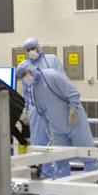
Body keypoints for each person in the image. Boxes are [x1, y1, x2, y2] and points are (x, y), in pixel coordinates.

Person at [18, 62, 98, 178]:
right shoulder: (33, 88)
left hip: (75, 122)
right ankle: (62, 193)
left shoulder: (52, 75)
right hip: (57, 128)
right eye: (22, 76)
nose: (24, 78)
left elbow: (73, 93)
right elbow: (41, 112)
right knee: (60, 161)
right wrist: (48, 130)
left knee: (88, 156)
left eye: (25, 74)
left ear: (31, 70)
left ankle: (94, 189)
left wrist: (72, 111)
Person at [18, 37, 64, 165]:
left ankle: (60, 171)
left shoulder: (51, 60)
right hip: (36, 109)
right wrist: (25, 109)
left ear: (38, 48)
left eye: (32, 48)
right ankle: (44, 171)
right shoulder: (26, 66)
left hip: (54, 107)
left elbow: (63, 81)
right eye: (27, 50)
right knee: (38, 142)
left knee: (58, 141)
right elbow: (26, 90)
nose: (30, 52)